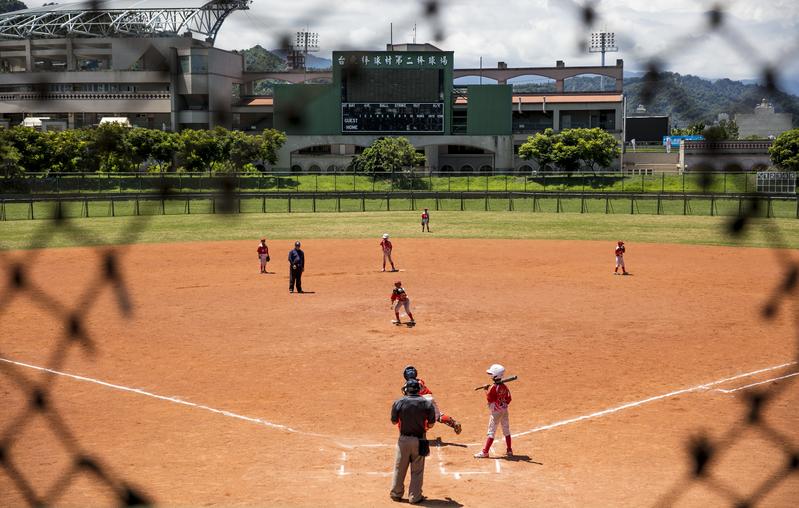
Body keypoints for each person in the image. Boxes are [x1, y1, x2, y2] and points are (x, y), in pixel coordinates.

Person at [390, 378, 436, 504]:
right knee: (417, 470)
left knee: (400, 468)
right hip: (420, 440)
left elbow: (394, 421)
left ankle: (396, 494)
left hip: (403, 440)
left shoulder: (399, 402)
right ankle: (414, 497)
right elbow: (431, 424)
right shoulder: (427, 403)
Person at [403, 365, 462, 434]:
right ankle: (453, 423)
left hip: (420, 401)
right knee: (438, 416)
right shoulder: (420, 381)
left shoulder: (406, 385)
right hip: (429, 398)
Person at [474, 363, 513, 458]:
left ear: (495, 375)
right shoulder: (504, 386)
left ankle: (485, 452)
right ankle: (509, 450)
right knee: (506, 430)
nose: (490, 375)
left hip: (496, 413)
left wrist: (485, 390)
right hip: (504, 411)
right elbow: (509, 399)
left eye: (491, 374)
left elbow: (490, 399)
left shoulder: (493, 388)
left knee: (491, 432)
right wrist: (502, 404)